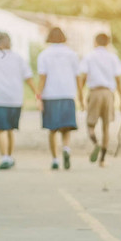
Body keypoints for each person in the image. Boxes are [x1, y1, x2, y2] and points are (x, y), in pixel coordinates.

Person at [0, 32, 37, 169]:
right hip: (14, 99)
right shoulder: (18, 58)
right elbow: (28, 77)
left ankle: (5, 157)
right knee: (10, 129)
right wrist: (36, 93)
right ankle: (10, 157)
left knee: (1, 129)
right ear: (9, 43)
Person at [37, 27, 83, 170]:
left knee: (52, 129)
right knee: (66, 128)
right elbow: (78, 77)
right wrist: (80, 96)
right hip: (68, 94)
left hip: (50, 95)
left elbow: (42, 78)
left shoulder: (44, 55)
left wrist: (38, 96)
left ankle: (55, 159)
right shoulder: (72, 54)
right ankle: (66, 149)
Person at [79, 33, 121, 167]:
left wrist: (80, 96)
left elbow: (83, 77)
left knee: (90, 125)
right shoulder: (113, 57)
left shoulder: (89, 56)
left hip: (94, 93)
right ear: (108, 43)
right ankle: (103, 159)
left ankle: (96, 143)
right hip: (108, 93)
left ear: (95, 42)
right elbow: (118, 80)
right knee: (106, 127)